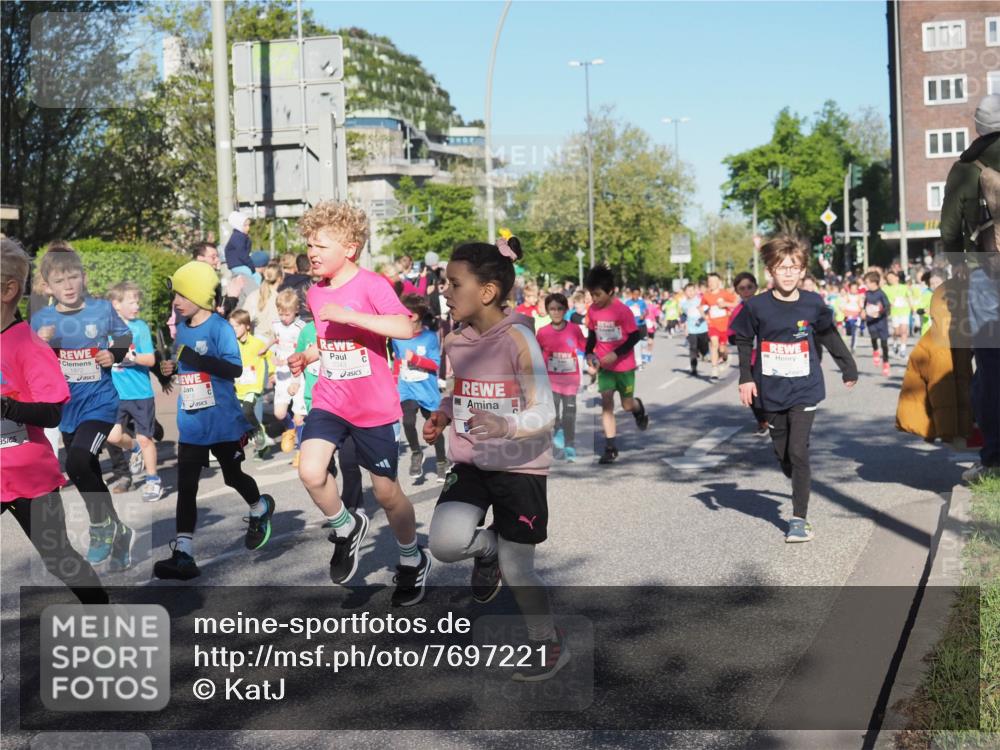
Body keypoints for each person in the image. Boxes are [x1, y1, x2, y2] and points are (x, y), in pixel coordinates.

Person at [423, 235, 570, 682]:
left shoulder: (519, 338)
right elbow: (461, 392)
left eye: (453, 283)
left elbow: (546, 410)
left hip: (519, 465)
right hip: (470, 461)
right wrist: (444, 414)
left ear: (486, 292)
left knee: (519, 569)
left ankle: (546, 641)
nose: (444, 291)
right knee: (445, 544)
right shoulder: (455, 339)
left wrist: (507, 426)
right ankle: (485, 551)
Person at [287, 201, 427, 606]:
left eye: (320, 245)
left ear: (349, 248)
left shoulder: (372, 285)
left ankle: (411, 558)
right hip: (330, 399)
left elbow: (404, 326)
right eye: (309, 244)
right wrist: (309, 355)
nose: (312, 252)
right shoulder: (315, 292)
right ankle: (345, 526)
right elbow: (330, 340)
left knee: (387, 494)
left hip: (373, 407)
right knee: (311, 472)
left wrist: (353, 316)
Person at [1, 238, 109, 602]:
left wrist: (7, 407)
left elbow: (51, 411)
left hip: (28, 474)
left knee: (59, 559)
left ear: (8, 289)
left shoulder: (26, 344)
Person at [732, 235, 857, 543]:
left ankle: (799, 519)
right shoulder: (756, 306)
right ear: (770, 272)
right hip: (770, 389)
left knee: (798, 451)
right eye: (781, 267)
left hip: (805, 386)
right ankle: (794, 473)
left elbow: (828, 334)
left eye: (794, 267)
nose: (788, 273)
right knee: (785, 454)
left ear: (802, 271)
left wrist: (847, 365)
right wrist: (745, 377)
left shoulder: (813, 303)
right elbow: (744, 340)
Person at [154, 262, 275, 580]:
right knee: (186, 486)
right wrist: (173, 369)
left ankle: (259, 507)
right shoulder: (181, 328)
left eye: (181, 294)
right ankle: (183, 554)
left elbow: (234, 369)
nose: (176, 301)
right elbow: (186, 366)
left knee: (232, 476)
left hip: (223, 420)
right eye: (175, 295)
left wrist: (198, 360)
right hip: (192, 421)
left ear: (198, 294)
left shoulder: (220, 328)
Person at [31, 244, 135, 571]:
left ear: (83, 277)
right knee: (87, 470)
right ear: (47, 286)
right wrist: (42, 345)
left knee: (77, 463)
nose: (69, 285)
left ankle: (101, 528)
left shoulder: (101, 310)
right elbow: (32, 363)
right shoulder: (42, 320)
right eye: (60, 280)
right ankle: (119, 532)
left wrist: (113, 354)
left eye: (73, 276)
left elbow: (124, 336)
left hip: (101, 404)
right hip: (68, 408)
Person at [940, 93, 1000, 484]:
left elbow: (949, 230)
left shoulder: (966, 168)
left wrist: (959, 264)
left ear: (977, 126)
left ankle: (994, 459)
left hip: (986, 275)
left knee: (992, 369)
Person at [583, 265, 649, 465]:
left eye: (597, 294)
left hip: (625, 365)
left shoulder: (622, 310)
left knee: (626, 405)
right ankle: (610, 447)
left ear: (610, 291)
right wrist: (588, 352)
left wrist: (616, 353)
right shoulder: (593, 310)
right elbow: (593, 334)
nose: (594, 299)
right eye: (591, 294)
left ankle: (638, 409)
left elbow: (636, 336)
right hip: (605, 366)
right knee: (606, 404)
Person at [106, 282, 162, 501]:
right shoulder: (106, 328)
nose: (136, 305)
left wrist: (133, 358)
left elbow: (150, 359)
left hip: (140, 393)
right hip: (115, 394)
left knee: (146, 438)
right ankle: (135, 447)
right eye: (132, 301)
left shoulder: (140, 328)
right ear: (116, 305)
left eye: (138, 301)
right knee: (113, 436)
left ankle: (152, 479)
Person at [392, 294, 447, 481]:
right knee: (407, 421)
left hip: (427, 390)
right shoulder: (397, 337)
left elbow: (435, 364)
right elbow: (398, 361)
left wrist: (415, 359)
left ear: (413, 316)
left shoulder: (429, 337)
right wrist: (393, 383)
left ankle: (441, 461)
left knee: (433, 427)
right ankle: (417, 452)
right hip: (406, 388)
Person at [536, 293, 587, 462]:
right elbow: (535, 355)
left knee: (570, 413)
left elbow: (585, 347)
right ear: (547, 311)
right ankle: (557, 430)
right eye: (552, 309)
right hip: (551, 380)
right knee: (553, 412)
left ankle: (570, 445)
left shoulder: (574, 329)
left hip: (570, 380)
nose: (556, 312)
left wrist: (594, 360)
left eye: (559, 309)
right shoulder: (543, 332)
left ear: (565, 310)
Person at [264, 289, 306, 453]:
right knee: (280, 414)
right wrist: (273, 368)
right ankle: (290, 429)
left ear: (296, 310)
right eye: (281, 314)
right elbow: (275, 345)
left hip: (297, 375)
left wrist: (296, 379)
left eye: (287, 314)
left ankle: (301, 451)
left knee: (299, 417)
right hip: (282, 374)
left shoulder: (300, 327)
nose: (283, 318)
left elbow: (303, 352)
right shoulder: (276, 325)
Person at [727, 272, 768, 436]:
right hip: (750, 358)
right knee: (752, 392)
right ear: (737, 292)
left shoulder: (767, 306)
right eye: (742, 288)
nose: (746, 291)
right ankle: (762, 421)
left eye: (749, 287)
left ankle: (774, 418)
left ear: (756, 287)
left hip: (770, 356)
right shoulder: (737, 311)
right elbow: (731, 336)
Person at [230, 309, 274, 460]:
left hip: (254, 387)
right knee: (240, 419)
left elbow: (269, 355)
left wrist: (272, 373)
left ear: (247, 326)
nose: (233, 329)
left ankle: (260, 431)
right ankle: (262, 446)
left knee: (248, 411)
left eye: (236, 326)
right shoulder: (232, 345)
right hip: (238, 388)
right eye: (231, 326)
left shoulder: (257, 343)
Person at [701, 273, 739, 380]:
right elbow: (701, 307)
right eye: (709, 281)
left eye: (714, 281)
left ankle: (725, 357)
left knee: (722, 349)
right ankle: (714, 368)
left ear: (719, 282)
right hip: (713, 325)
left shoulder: (725, 293)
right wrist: (705, 317)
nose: (711, 283)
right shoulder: (706, 295)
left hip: (725, 326)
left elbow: (736, 303)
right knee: (714, 344)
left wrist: (726, 304)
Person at [244, 260, 283, 342]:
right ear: (280, 279)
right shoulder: (280, 299)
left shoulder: (252, 295)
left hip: (252, 341)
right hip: (272, 344)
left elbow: (244, 318)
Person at [862, 270, 892, 376]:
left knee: (884, 344)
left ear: (874, 282)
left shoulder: (881, 294)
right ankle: (875, 350)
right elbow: (864, 306)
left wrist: (879, 311)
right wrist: (864, 312)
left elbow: (887, 307)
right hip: (871, 321)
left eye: (867, 282)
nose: (866, 285)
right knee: (873, 337)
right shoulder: (867, 293)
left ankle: (886, 363)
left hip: (881, 321)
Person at [680, 283, 709, 376]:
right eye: (688, 291)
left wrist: (701, 319)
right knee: (693, 348)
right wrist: (684, 326)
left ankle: (704, 353)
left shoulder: (700, 300)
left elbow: (706, 311)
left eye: (692, 290)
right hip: (691, 329)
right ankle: (693, 368)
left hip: (703, 328)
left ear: (695, 291)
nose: (691, 293)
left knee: (703, 346)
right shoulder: (684, 304)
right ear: (685, 292)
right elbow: (684, 316)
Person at [883, 271, 911, 358]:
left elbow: (909, 297)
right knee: (897, 332)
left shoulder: (904, 287)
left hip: (905, 311)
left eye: (892, 277)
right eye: (888, 279)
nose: (890, 279)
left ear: (897, 278)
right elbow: (884, 299)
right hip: (894, 312)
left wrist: (911, 304)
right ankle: (895, 343)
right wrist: (889, 304)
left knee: (904, 330)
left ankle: (903, 349)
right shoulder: (886, 288)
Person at [224, 211, 254, 276]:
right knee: (255, 277)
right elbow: (242, 254)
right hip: (238, 264)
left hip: (239, 264)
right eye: (245, 225)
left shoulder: (240, 236)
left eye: (248, 225)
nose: (248, 228)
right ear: (238, 225)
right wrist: (251, 266)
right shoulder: (238, 237)